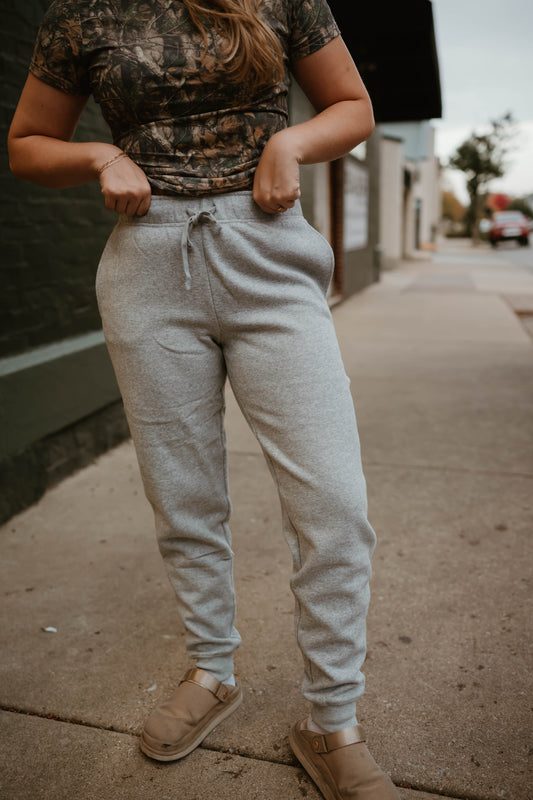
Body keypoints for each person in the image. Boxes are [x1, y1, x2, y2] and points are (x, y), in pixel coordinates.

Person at [8, 1, 398, 797]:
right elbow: (24, 145)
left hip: (269, 258)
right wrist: (97, 159)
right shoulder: (80, 13)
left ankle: (331, 719)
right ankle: (212, 671)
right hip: (147, 272)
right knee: (184, 498)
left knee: (332, 501)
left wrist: (290, 141)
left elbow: (352, 107)